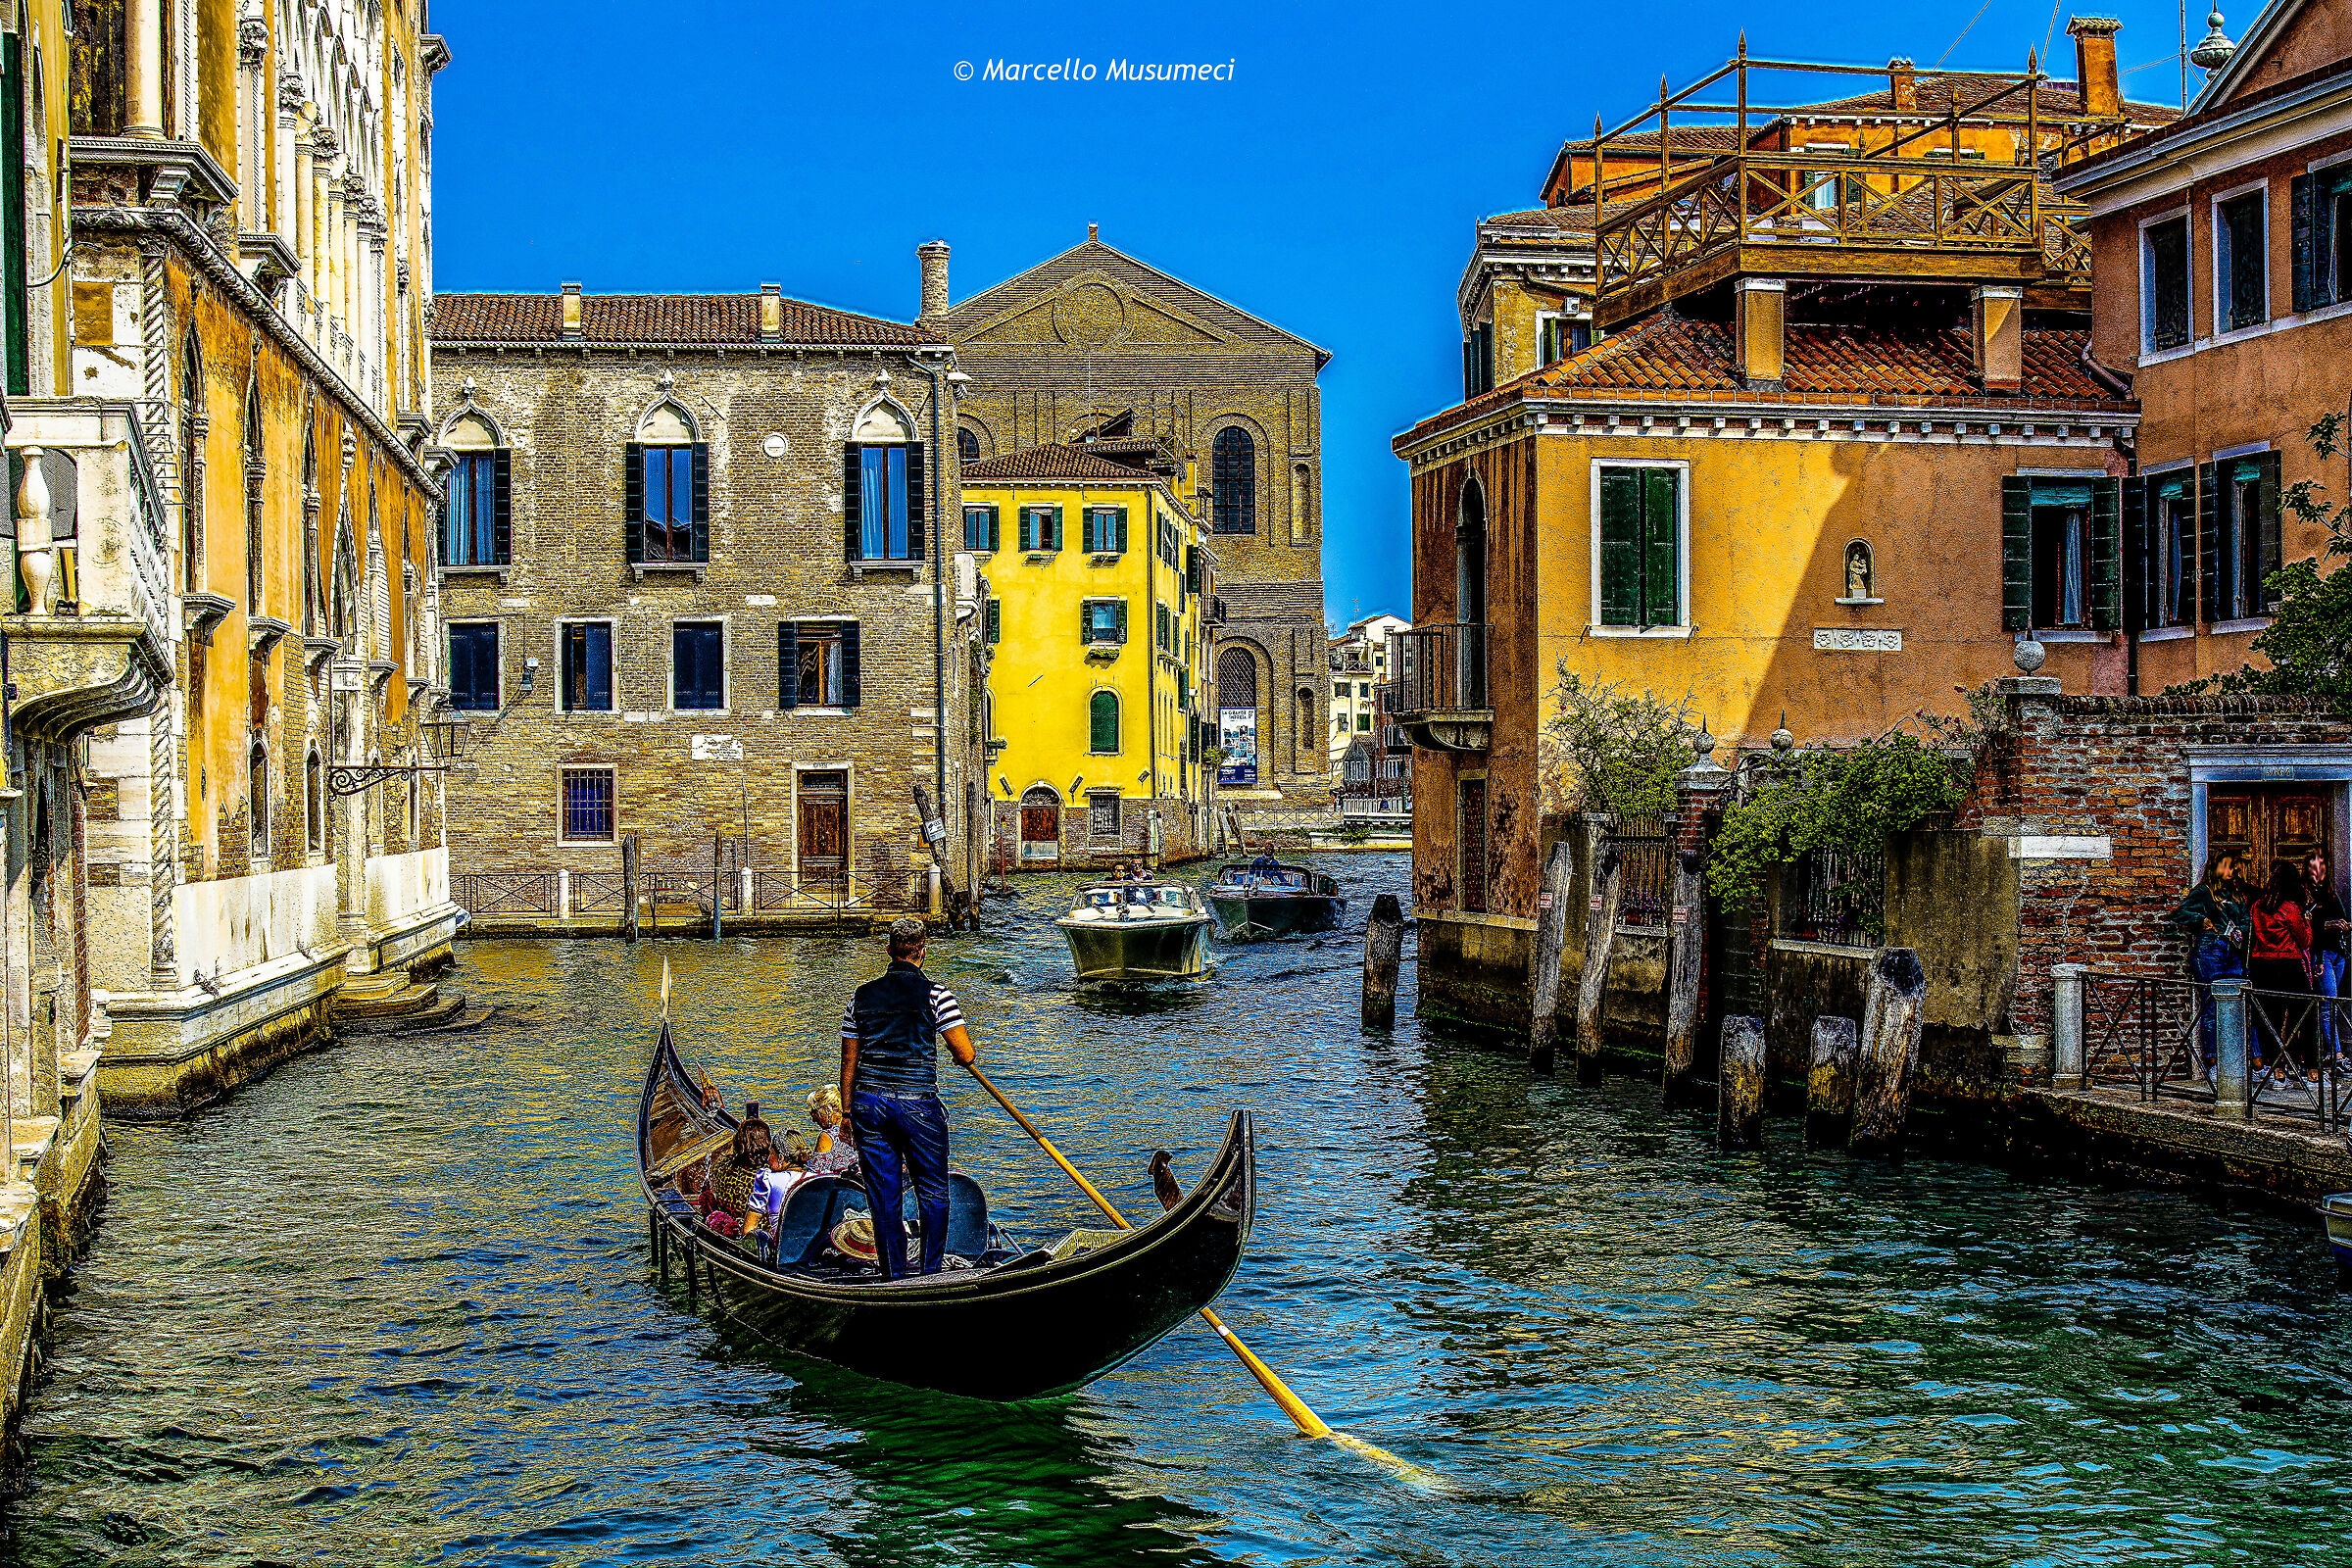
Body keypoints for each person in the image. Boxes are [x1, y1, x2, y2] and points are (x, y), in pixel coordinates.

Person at [839, 917, 975, 1281]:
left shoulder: (859, 997)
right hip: (917, 1105)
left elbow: (849, 1060)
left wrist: (846, 1112)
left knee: (884, 1198)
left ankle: (894, 1277)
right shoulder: (937, 995)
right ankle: (930, 1274)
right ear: (922, 952)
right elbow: (964, 1054)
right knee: (934, 1192)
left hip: (869, 1103)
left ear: (889, 951)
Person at [2169, 851, 2247, 1069]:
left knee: (2237, 1002)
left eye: (2233, 866)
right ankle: (2213, 1062)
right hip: (2210, 949)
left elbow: (2246, 919)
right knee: (2212, 1003)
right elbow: (2179, 913)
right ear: (2216, 868)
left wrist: (2241, 930)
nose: (2232, 871)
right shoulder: (2204, 892)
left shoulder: (2236, 895)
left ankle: (2239, 1062)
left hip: (2233, 950)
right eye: (2227, 866)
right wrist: (2201, 920)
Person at [2247, 858, 2315, 1079]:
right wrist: (2307, 921)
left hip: (2261, 964)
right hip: (2287, 963)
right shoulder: (2290, 908)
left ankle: (2277, 1070)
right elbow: (2304, 940)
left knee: (2269, 1019)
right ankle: (2311, 1068)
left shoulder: (2257, 906)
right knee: (2305, 1013)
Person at [2306, 851, 2348, 1067]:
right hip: (2320, 955)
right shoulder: (2305, 894)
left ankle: (2328, 1051)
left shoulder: (2330, 894)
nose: (2318, 871)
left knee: (2331, 1002)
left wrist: (2344, 925)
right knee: (2327, 1002)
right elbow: (2305, 925)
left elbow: (2344, 918)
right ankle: (2336, 1054)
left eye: (2321, 866)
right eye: (2314, 867)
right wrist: (2327, 925)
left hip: (2337, 952)